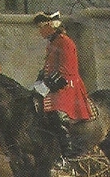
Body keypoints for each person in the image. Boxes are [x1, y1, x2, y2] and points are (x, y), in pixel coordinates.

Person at [32, 11, 93, 159]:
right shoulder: (52, 43)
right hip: (54, 85)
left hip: (67, 86)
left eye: (42, 26)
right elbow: (48, 68)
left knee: (55, 112)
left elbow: (67, 71)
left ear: (52, 26)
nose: (40, 30)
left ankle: (67, 155)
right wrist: (38, 84)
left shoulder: (65, 42)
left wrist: (45, 86)